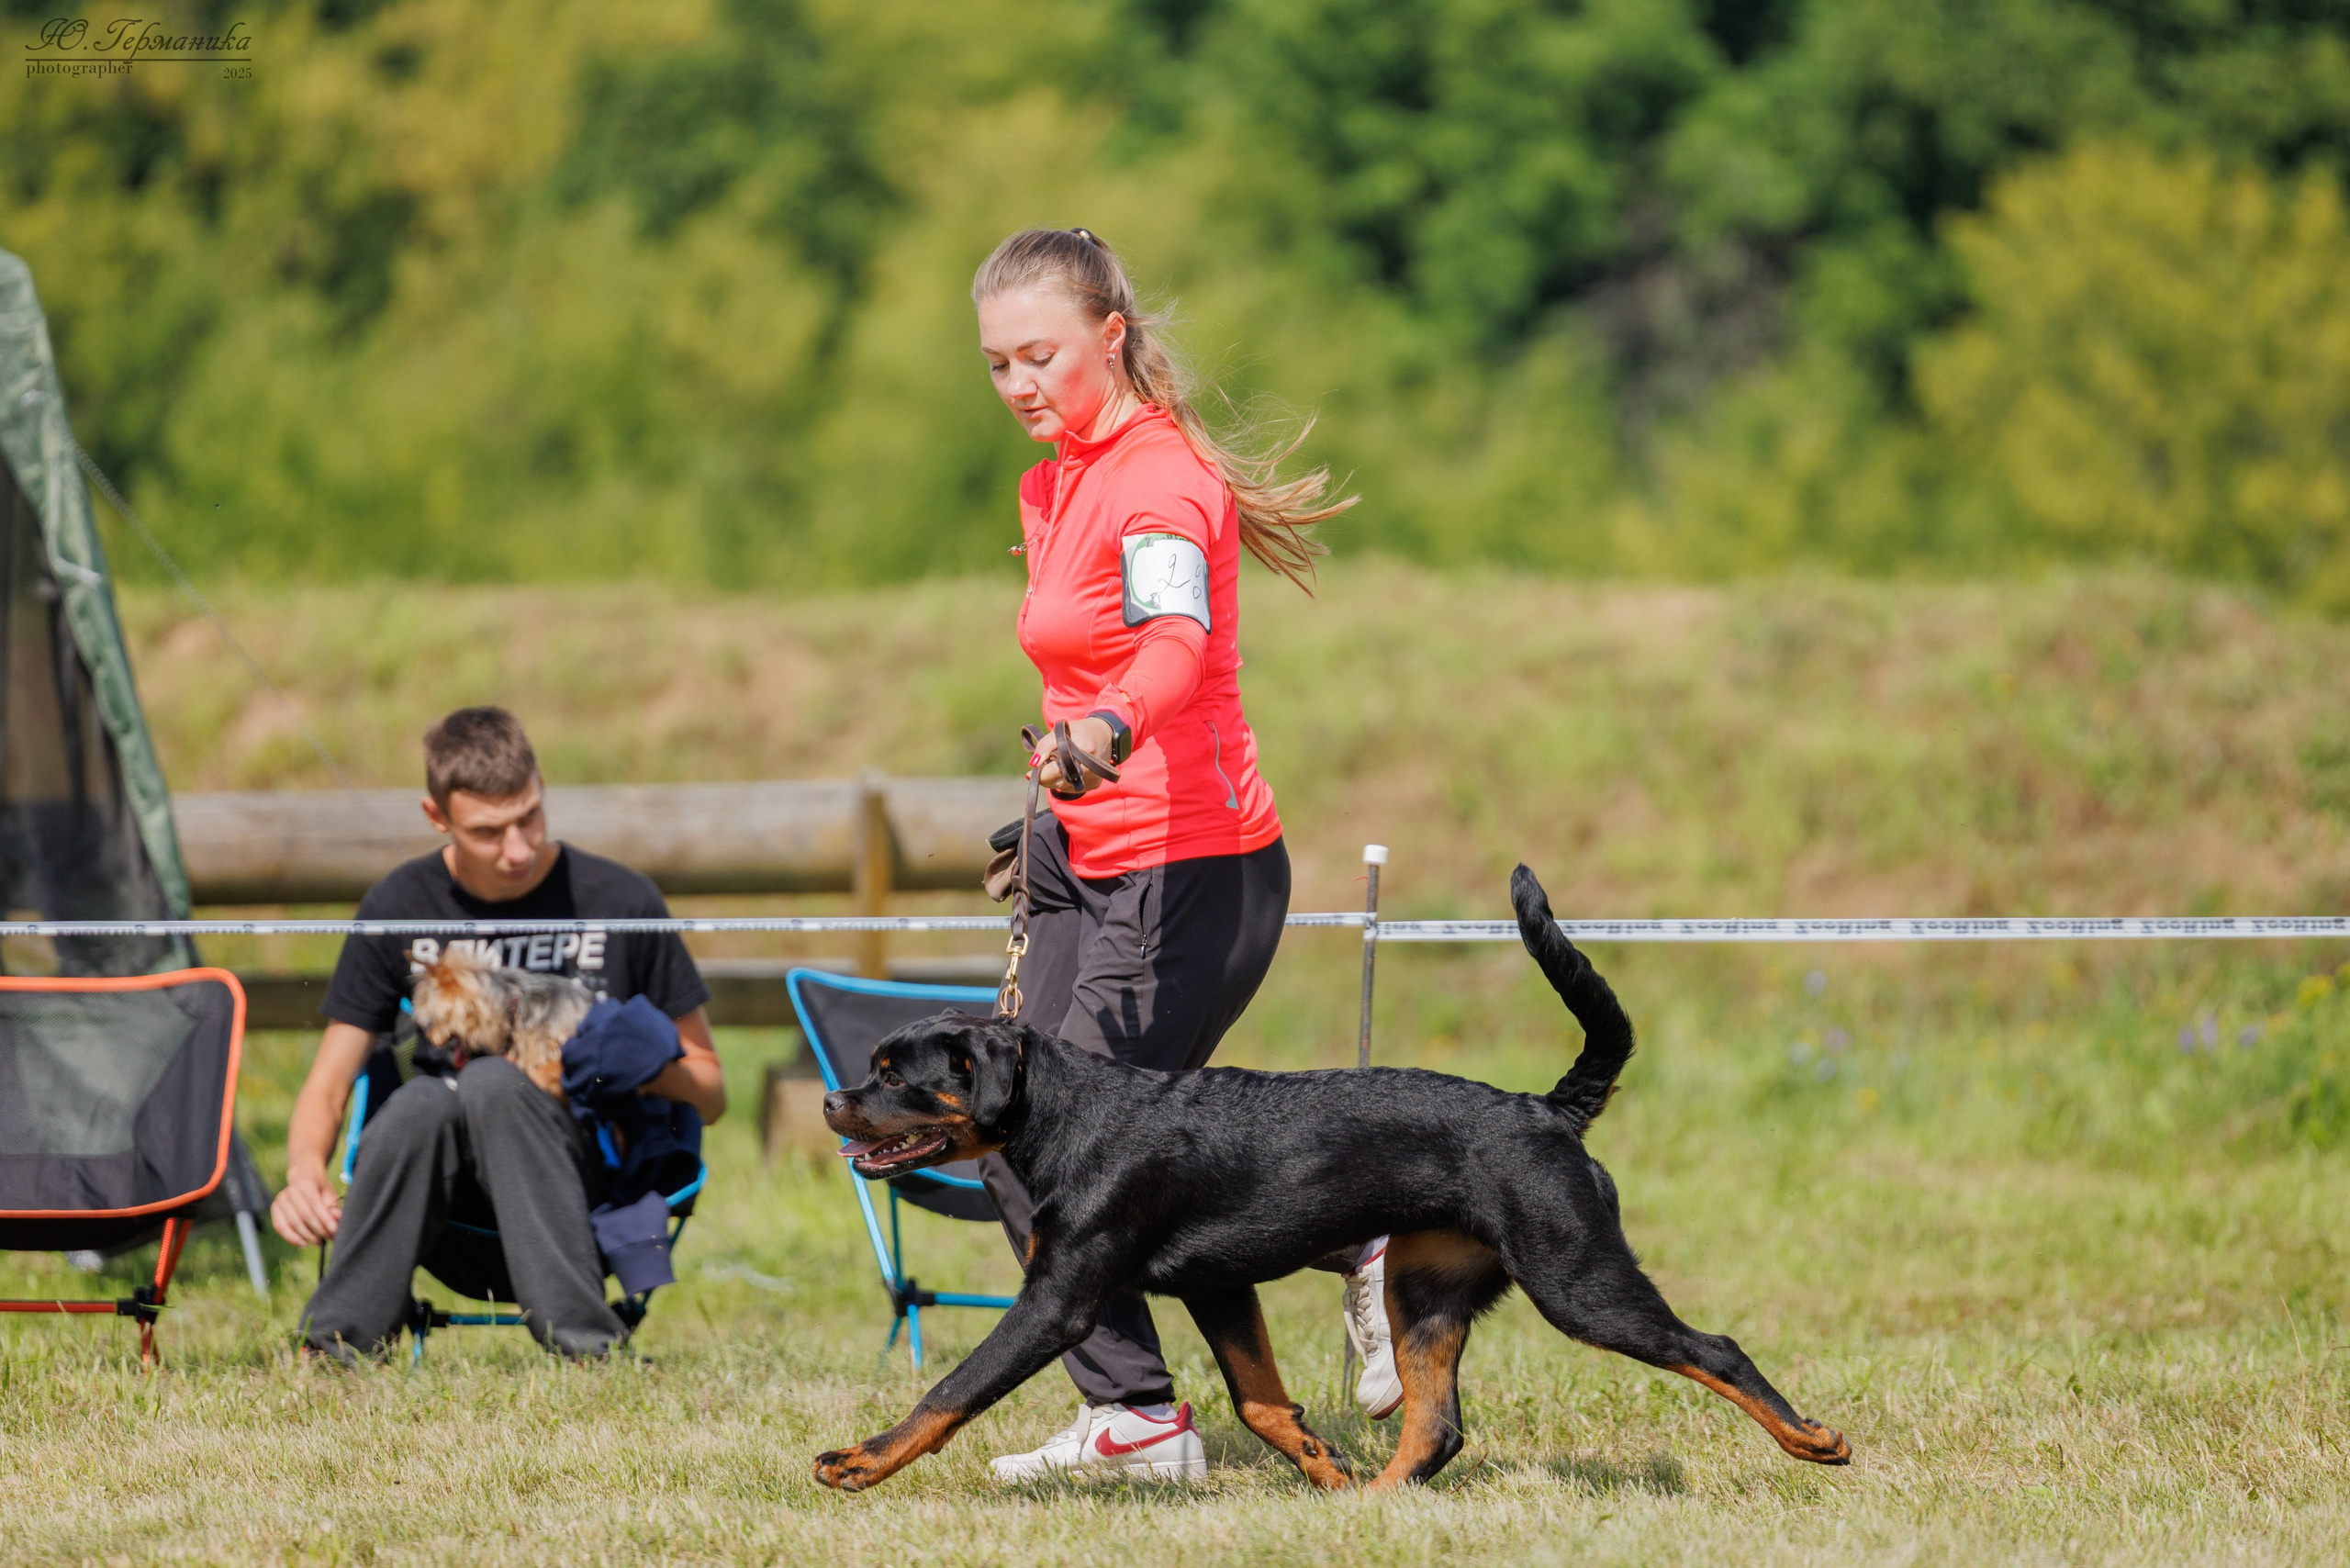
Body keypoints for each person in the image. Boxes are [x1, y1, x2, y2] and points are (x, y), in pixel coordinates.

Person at [968, 227, 1394, 1481]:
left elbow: (1172, 649)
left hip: (1189, 866)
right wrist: (1051, 795)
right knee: (1003, 1125)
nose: (1019, 387)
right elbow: (1081, 658)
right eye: (996, 366)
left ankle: (1357, 1229)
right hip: (1081, 854)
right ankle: (1138, 1417)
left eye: (1039, 356)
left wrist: (1109, 726)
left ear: (1111, 334)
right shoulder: (1052, 483)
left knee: (1100, 1149)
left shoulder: (1159, 479)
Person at [272, 706, 724, 1359]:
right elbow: (328, 1084)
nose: (518, 848)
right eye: (488, 832)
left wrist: (629, 1062)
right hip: (439, 1219)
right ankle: (335, 1346)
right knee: (430, 1096)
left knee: (490, 1084)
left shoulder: (622, 901)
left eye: (530, 817)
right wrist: (303, 1171)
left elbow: (710, 1092)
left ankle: (589, 1346)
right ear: (437, 819)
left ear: (541, 787)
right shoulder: (397, 907)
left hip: (577, 1204)